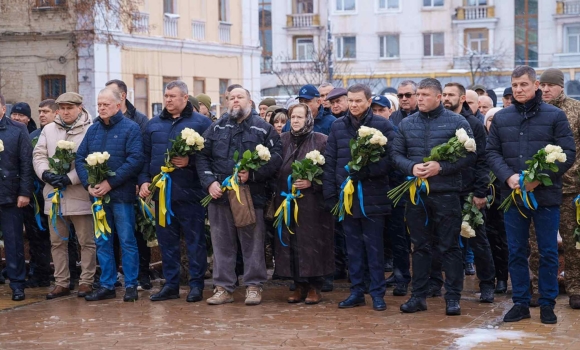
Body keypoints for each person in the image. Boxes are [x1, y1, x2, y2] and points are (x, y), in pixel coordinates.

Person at [487, 65, 575, 324]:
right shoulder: (503, 118)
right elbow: (492, 152)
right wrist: (509, 176)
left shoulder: (555, 115)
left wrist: (539, 179)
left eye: (524, 85)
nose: (518, 90)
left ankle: (547, 304)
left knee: (548, 251)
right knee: (516, 250)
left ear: (536, 85)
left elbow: (567, 153)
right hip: (513, 195)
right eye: (514, 85)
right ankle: (521, 303)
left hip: (546, 196)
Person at [391, 78, 476, 316]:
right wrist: (411, 167)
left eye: (425, 95)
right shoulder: (407, 124)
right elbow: (395, 154)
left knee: (449, 247)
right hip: (417, 194)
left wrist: (442, 167)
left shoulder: (457, 122)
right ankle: (418, 296)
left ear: (439, 97)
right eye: (418, 94)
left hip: (446, 193)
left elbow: (470, 156)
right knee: (419, 246)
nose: (419, 99)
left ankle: (452, 298)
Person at [197, 86, 282, 305]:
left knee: (253, 243)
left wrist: (252, 174)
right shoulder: (215, 129)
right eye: (231, 98)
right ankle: (223, 287)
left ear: (250, 101)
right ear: (226, 102)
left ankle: (253, 286)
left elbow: (276, 159)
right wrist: (210, 183)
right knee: (222, 244)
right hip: (220, 197)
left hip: (251, 197)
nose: (235, 101)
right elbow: (202, 157)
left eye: (240, 97)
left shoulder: (263, 129)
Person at [323, 84, 396, 312]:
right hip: (346, 198)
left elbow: (392, 159)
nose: (354, 105)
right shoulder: (337, 126)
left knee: (374, 248)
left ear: (368, 101)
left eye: (358, 101)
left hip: (373, 196)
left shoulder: (382, 125)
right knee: (352, 247)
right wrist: (331, 195)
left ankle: (377, 293)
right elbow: (330, 161)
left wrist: (369, 171)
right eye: (351, 101)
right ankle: (356, 291)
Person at [139, 81, 212, 303]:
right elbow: (145, 156)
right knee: (166, 242)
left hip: (190, 194)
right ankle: (170, 284)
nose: (168, 100)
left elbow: (209, 156)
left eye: (173, 96)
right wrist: (144, 181)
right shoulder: (153, 124)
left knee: (194, 241)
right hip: (162, 195)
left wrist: (190, 161)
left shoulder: (201, 123)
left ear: (185, 97)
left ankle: (196, 284)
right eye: (166, 96)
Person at [76, 89, 144, 302]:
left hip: (121, 196)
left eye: (106, 104)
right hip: (97, 197)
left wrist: (110, 183)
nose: (102, 108)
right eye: (99, 104)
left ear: (118, 104)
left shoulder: (131, 128)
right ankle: (107, 284)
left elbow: (134, 160)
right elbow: (80, 158)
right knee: (103, 241)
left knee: (127, 240)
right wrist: (89, 184)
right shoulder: (93, 130)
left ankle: (131, 284)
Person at [32, 92, 97, 300]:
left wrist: (70, 178)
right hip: (54, 193)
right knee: (57, 242)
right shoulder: (49, 129)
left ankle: (87, 281)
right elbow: (39, 155)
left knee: (86, 241)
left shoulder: (90, 129)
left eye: (70, 108)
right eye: (63, 108)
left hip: (79, 193)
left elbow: (90, 160)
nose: (66, 112)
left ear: (80, 107)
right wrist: (46, 174)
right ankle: (61, 282)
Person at [528, 68, 580, 309]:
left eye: (551, 85)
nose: (545, 89)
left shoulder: (576, 110)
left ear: (561, 86)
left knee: (573, 244)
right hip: (539, 189)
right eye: (543, 85)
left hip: (570, 188)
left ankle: (576, 288)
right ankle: (538, 288)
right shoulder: (532, 109)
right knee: (538, 243)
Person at [440, 82, 496, 303]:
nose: (446, 98)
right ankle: (442, 285)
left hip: (469, 190)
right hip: (444, 190)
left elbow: (483, 160)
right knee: (444, 241)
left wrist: (480, 191)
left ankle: (487, 284)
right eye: (443, 94)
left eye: (451, 95)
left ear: (462, 98)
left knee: (478, 240)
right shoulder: (438, 122)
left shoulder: (473, 123)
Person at [274, 103, 334, 304]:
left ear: (309, 119)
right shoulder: (282, 140)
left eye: (300, 117)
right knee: (290, 243)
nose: (296, 121)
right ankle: (298, 284)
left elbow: (330, 173)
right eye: (293, 117)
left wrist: (312, 183)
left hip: (312, 204)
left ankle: (315, 286)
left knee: (311, 243)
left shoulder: (321, 141)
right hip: (286, 200)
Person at [105, 79, 152, 290]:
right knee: (110, 235)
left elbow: (141, 154)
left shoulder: (139, 121)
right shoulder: (101, 123)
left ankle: (142, 275)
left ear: (121, 97)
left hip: (133, 186)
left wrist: (140, 181)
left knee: (136, 234)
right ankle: (112, 276)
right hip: (109, 189)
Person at [0, 93, 33, 301]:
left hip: (10, 195)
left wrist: (24, 192)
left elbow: (26, 164)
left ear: (3, 108)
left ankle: (17, 284)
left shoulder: (17, 129)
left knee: (13, 242)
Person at [483, 106, 510, 294]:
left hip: (503, 197)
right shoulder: (480, 141)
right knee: (486, 239)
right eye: (490, 119)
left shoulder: (507, 141)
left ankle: (502, 277)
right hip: (483, 197)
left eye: (496, 119)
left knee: (502, 240)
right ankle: (487, 277)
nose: (493, 123)